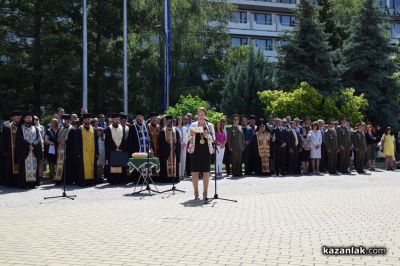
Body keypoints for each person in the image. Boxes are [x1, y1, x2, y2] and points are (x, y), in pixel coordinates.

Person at [187, 107, 215, 200]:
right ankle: (196, 192)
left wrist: (207, 134)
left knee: (206, 172)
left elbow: (213, 139)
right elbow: (188, 138)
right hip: (195, 151)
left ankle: (205, 192)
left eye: (202, 114)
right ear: (197, 115)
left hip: (206, 152)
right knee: (194, 172)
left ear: (205, 115)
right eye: (199, 114)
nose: (201, 116)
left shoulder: (210, 125)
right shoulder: (193, 124)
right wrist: (190, 134)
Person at [14, 112, 43, 188]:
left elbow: (38, 139)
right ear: (24, 119)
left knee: (34, 166)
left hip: (33, 151)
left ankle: (32, 183)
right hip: (25, 151)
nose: (29, 119)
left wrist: (33, 145)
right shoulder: (20, 128)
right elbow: (19, 140)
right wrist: (28, 145)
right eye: (27, 117)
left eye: (30, 117)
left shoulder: (35, 128)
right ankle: (24, 184)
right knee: (24, 168)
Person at [104, 113, 129, 184]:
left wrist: (121, 148)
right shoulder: (108, 129)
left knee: (121, 165)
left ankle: (121, 180)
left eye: (118, 119)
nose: (116, 120)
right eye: (115, 119)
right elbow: (108, 141)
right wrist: (115, 148)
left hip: (121, 150)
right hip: (112, 151)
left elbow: (124, 140)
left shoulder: (122, 127)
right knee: (114, 166)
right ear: (112, 120)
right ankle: (113, 180)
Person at [54, 114, 78, 185]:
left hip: (68, 152)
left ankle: (68, 180)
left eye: (65, 120)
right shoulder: (60, 128)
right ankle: (59, 180)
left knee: (68, 166)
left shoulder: (72, 129)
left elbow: (74, 142)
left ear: (68, 120)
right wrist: (58, 140)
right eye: (63, 120)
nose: (64, 122)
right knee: (59, 165)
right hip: (59, 150)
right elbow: (55, 138)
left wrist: (65, 141)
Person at [76, 113, 99, 186]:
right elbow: (76, 143)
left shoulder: (94, 130)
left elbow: (96, 142)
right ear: (83, 120)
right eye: (86, 119)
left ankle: (91, 181)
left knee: (92, 166)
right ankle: (83, 182)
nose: (88, 120)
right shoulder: (79, 129)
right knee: (82, 168)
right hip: (83, 153)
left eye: (89, 119)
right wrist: (78, 153)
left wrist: (97, 152)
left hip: (92, 153)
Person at [1, 111, 22, 187]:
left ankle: (18, 182)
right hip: (10, 151)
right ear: (12, 117)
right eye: (16, 117)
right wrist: (4, 151)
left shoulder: (21, 126)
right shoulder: (7, 126)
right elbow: (2, 140)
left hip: (19, 151)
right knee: (9, 166)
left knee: (19, 165)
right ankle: (9, 182)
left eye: (19, 117)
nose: (18, 118)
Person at [158, 116, 181, 182]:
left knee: (175, 164)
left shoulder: (176, 130)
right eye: (168, 121)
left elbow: (178, 141)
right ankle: (165, 179)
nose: (169, 123)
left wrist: (175, 145)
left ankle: (175, 179)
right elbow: (160, 142)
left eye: (170, 121)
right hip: (166, 152)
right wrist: (168, 146)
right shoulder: (163, 131)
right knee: (165, 164)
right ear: (165, 122)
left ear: (172, 122)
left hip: (174, 152)